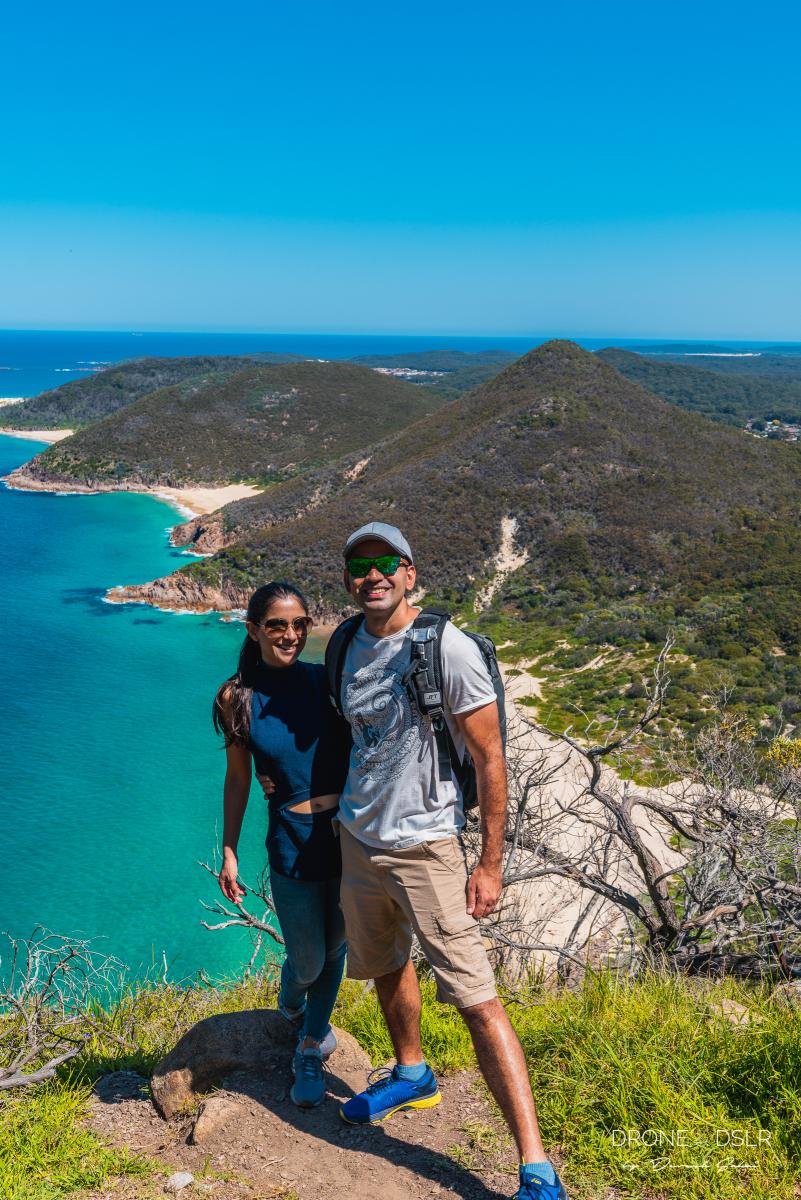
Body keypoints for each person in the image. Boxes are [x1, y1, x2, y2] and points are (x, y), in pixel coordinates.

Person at [331, 522, 567, 1200]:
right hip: (358, 838)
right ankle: (411, 1074)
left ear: (408, 573)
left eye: (384, 564)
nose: (371, 575)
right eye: (358, 566)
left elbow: (492, 758)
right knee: (383, 963)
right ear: (347, 581)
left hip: (428, 846)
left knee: (476, 1000)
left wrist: (487, 863)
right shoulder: (346, 643)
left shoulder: (447, 649)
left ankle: (534, 1164)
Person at [212, 581, 351, 1108]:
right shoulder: (236, 698)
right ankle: (293, 1004)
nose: (290, 634)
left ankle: (310, 1043)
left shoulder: (326, 682)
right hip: (291, 840)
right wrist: (229, 849)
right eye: (277, 625)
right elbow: (237, 779)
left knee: (337, 942)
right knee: (308, 957)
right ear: (253, 629)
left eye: (299, 624)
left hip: (348, 837)